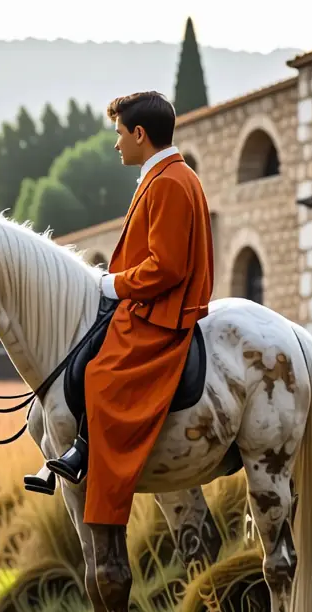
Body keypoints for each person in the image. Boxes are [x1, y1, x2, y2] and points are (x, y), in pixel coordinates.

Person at [45, 90, 213, 527]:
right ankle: (73, 448)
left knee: (101, 374)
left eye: (119, 133)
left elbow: (167, 266)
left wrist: (113, 283)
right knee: (83, 351)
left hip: (162, 310)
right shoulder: (164, 176)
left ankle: (89, 461)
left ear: (140, 134)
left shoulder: (170, 182)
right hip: (147, 301)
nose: (116, 143)